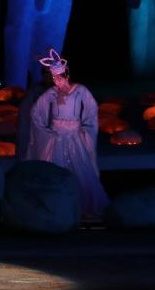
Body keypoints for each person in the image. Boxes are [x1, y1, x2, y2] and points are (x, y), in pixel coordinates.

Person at [28, 48, 108, 217]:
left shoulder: (80, 91)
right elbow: (36, 112)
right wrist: (46, 132)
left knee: (80, 171)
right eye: (54, 78)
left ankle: (82, 206)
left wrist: (84, 130)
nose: (56, 81)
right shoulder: (51, 94)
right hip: (56, 138)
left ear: (66, 75)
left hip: (74, 138)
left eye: (59, 77)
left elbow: (91, 111)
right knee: (54, 169)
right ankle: (56, 207)